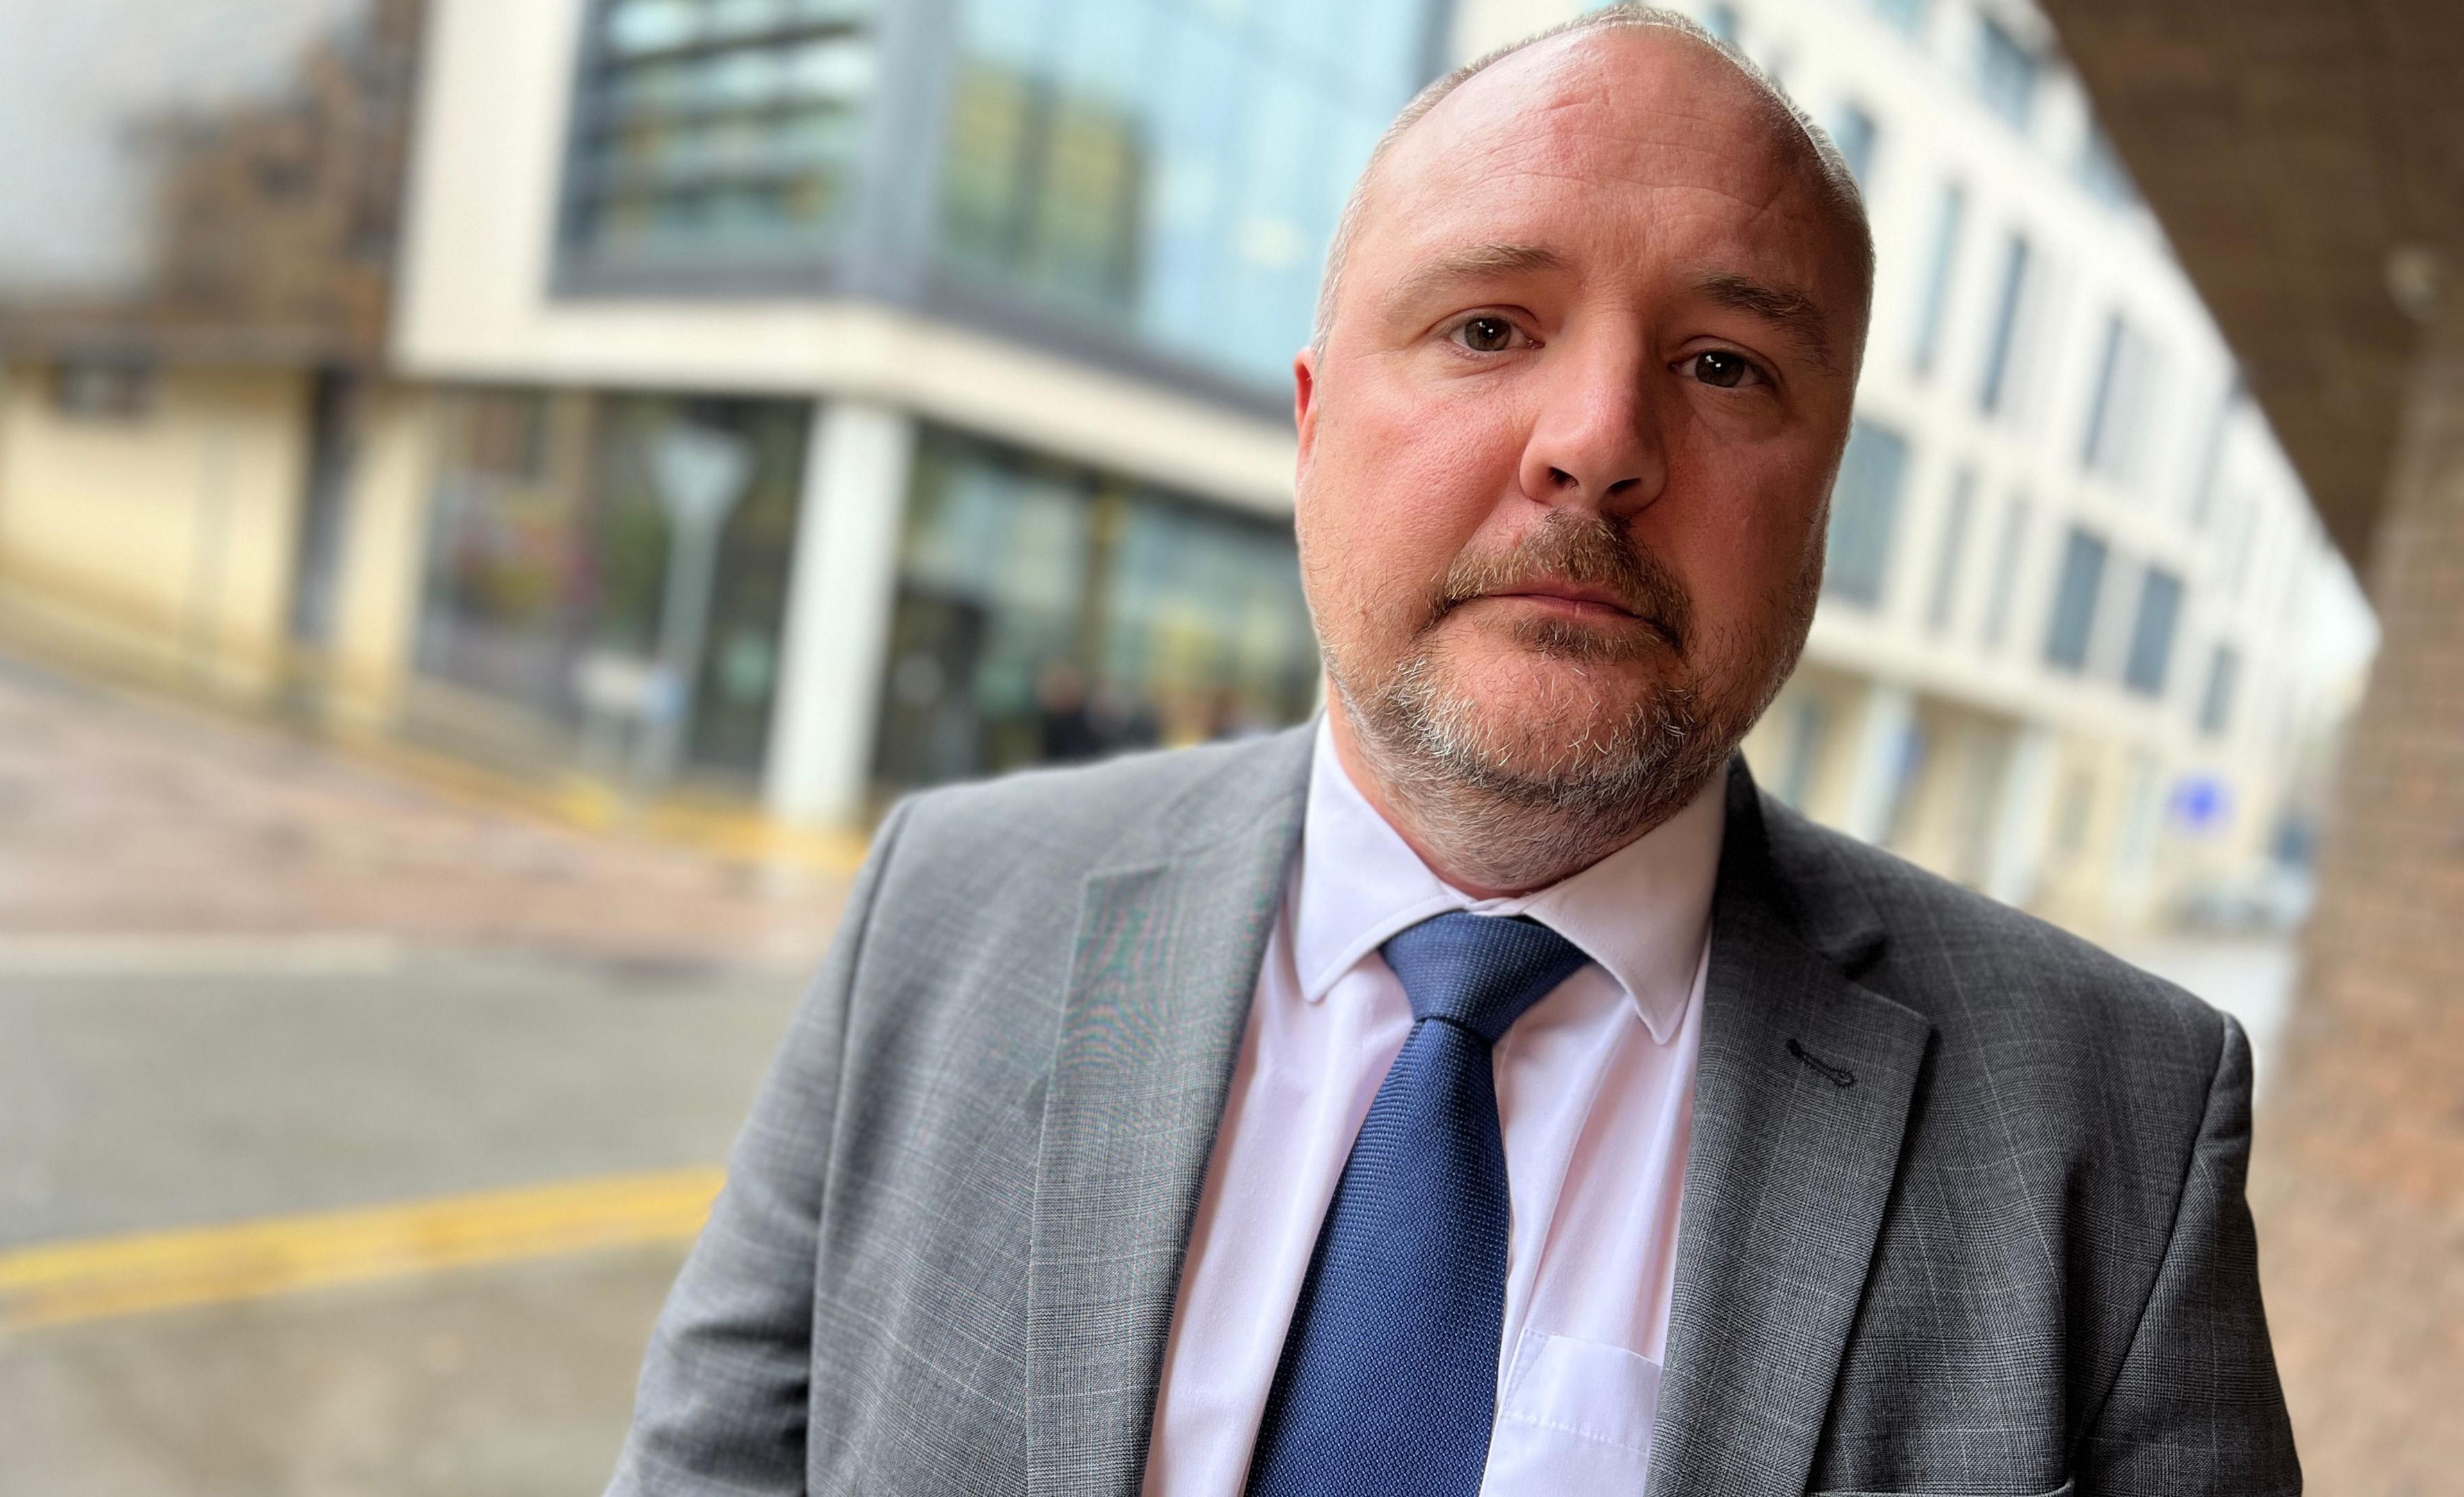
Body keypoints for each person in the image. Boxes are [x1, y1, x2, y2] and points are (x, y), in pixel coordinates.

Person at [606, 10, 2298, 1496]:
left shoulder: (2114, 1131)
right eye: (1491, 327)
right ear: (1311, 422)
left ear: (1825, 505)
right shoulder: (942, 907)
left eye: (1724, 366)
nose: (1598, 444)